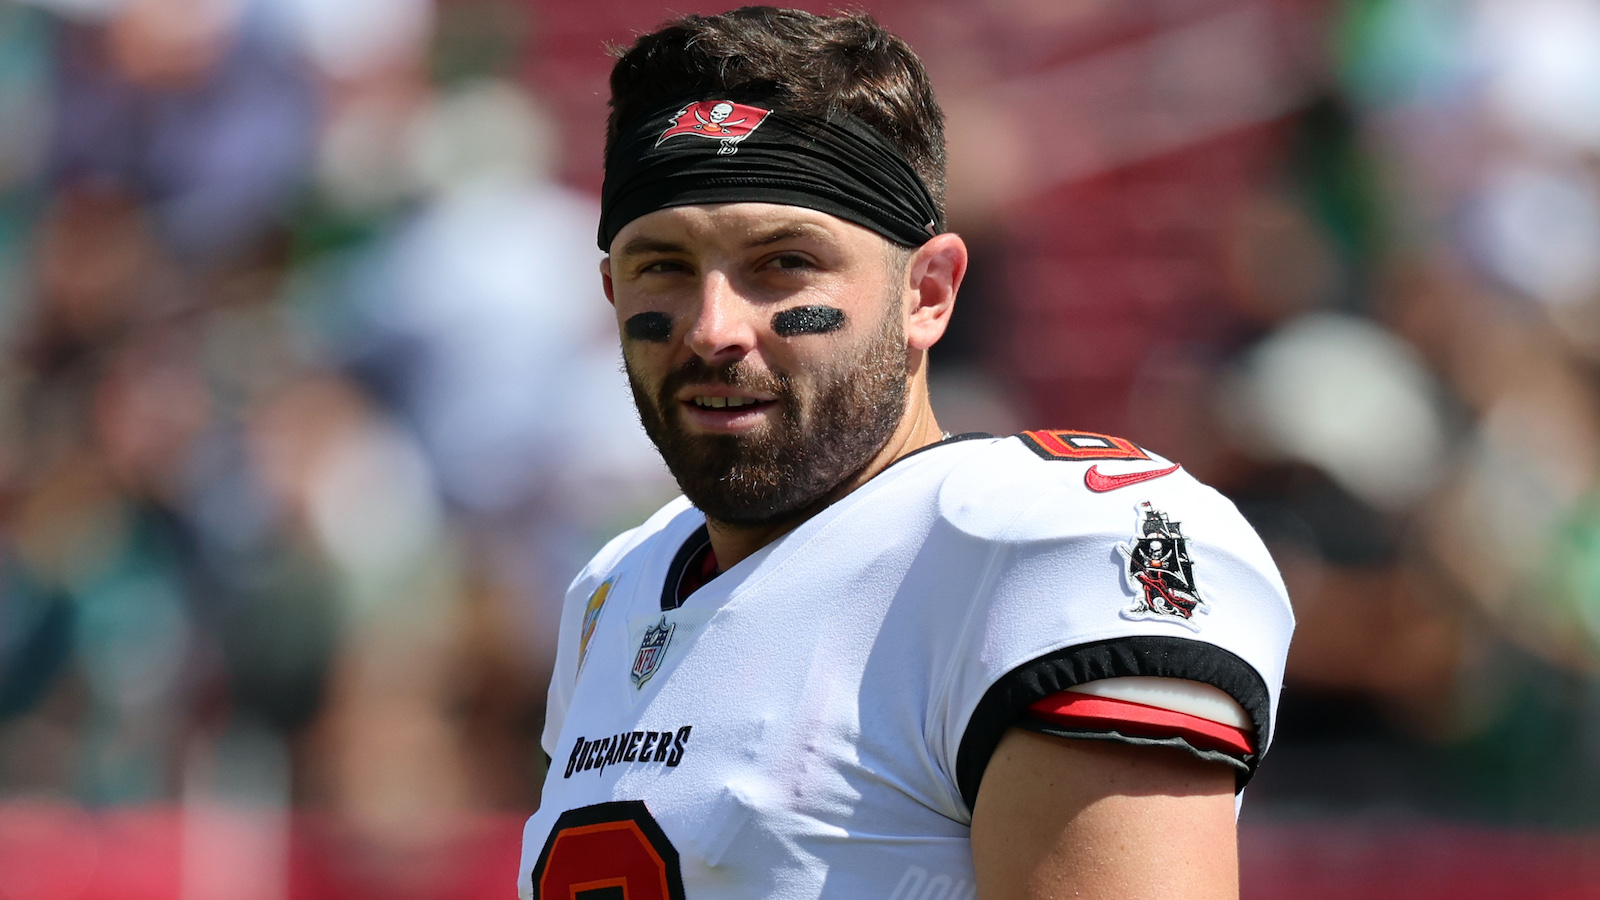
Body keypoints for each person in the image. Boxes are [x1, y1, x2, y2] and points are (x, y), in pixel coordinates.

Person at [518, 8, 1293, 899]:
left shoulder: (1043, 547)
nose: (713, 329)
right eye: (664, 266)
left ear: (927, 294)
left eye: (783, 264)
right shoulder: (615, 589)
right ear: (611, 290)